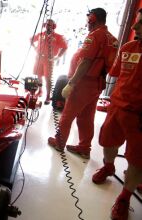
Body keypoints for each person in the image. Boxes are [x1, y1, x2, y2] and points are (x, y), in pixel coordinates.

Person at [91, 8, 142, 220]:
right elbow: (116, 73)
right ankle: (109, 167)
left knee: (137, 159)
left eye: (141, 23)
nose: (134, 26)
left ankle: (124, 197)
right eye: (136, 21)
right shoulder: (129, 47)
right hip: (117, 107)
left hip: (140, 115)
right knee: (107, 142)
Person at [47, 8, 118, 159]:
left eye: (89, 20)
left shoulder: (95, 36)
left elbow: (85, 62)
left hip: (83, 83)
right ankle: (84, 147)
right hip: (97, 84)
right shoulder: (112, 39)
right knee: (86, 117)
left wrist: (71, 83)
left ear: (93, 19)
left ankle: (59, 142)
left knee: (68, 114)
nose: (87, 24)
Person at [31, 19, 68, 104]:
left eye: (50, 25)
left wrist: (58, 57)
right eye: (47, 25)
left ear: (54, 26)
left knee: (48, 78)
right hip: (39, 58)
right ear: (45, 25)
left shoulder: (58, 37)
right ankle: (40, 91)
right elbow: (31, 39)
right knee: (38, 76)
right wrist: (35, 48)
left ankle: (48, 96)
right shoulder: (40, 34)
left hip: (49, 60)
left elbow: (65, 47)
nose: (48, 26)